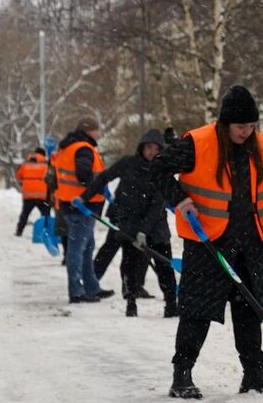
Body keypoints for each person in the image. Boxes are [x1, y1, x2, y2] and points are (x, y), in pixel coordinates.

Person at [154, 85, 263, 399]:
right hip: (208, 243)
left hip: (250, 243)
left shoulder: (262, 146)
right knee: (197, 312)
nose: (247, 132)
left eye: (252, 125)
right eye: (241, 126)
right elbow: (158, 169)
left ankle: (254, 375)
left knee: (249, 311)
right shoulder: (197, 143)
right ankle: (182, 375)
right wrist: (180, 201)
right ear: (226, 123)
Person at [81, 128, 178, 319]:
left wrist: (144, 231)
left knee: (163, 266)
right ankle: (131, 302)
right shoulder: (128, 164)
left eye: (156, 148)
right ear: (141, 148)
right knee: (129, 264)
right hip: (129, 223)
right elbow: (103, 177)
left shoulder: (162, 171)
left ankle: (171, 304)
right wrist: (84, 197)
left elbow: (157, 205)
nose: (152, 152)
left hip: (155, 226)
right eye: (148, 147)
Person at [53, 117, 113, 305]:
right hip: (82, 206)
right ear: (89, 131)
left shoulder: (67, 147)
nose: (98, 133)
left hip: (68, 203)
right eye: (96, 130)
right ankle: (76, 291)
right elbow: (84, 175)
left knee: (86, 247)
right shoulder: (83, 148)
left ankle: (91, 287)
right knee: (78, 249)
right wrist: (100, 181)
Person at [14, 147, 51, 236]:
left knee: (25, 213)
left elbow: (18, 176)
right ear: (43, 155)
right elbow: (51, 177)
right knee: (45, 214)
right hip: (42, 194)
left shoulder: (25, 164)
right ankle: (47, 232)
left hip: (28, 194)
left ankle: (19, 231)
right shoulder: (47, 164)